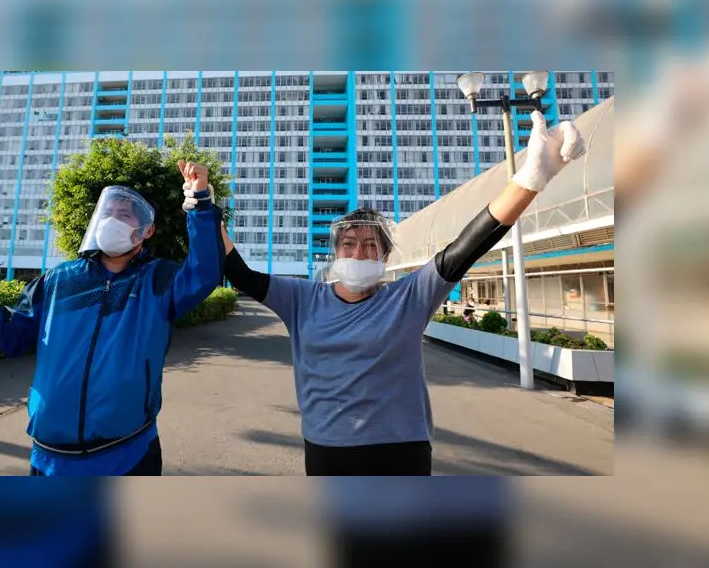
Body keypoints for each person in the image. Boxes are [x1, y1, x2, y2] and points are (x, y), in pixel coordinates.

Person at [191, 111, 585, 475]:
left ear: (385, 255)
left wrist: (531, 178)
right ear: (334, 252)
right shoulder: (302, 299)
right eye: (348, 244)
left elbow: (468, 246)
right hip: (328, 448)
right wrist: (203, 206)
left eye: (370, 245)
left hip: (402, 450)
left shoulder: (409, 297)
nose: (358, 252)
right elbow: (238, 272)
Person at [0, 161, 224, 476]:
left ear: (146, 231)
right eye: (108, 212)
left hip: (129, 452)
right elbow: (14, 331)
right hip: (49, 458)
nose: (112, 220)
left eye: (124, 215)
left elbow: (204, 272)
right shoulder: (59, 279)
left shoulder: (158, 280)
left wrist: (200, 202)